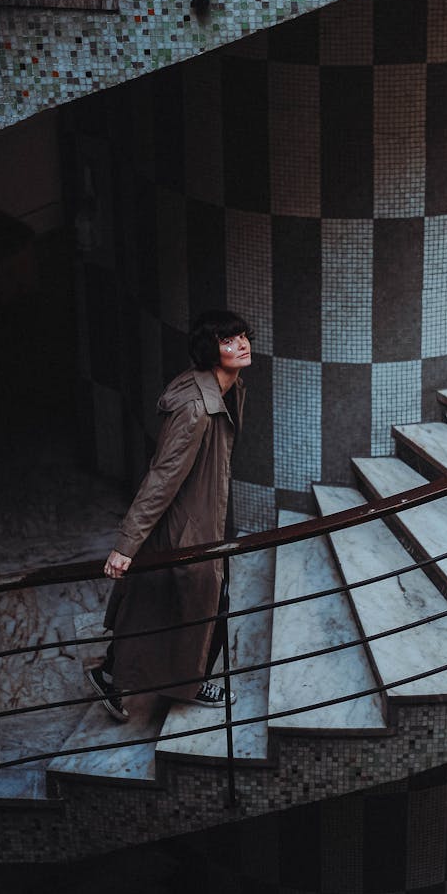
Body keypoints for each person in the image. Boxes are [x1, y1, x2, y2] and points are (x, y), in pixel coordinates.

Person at [87, 309, 252, 722]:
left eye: (242, 336)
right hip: (184, 527)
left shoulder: (229, 386)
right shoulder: (197, 409)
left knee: (164, 603)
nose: (242, 344)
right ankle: (180, 682)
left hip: (196, 520)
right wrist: (126, 545)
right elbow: (161, 477)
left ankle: (115, 674)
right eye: (228, 341)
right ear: (209, 351)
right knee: (201, 603)